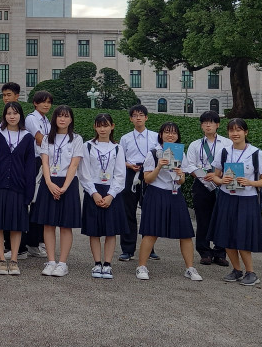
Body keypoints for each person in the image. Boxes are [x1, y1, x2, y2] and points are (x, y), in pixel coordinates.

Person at [136, 122, 202, 282]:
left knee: (186, 233)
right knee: (151, 232)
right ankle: (142, 266)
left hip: (175, 194)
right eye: (167, 132)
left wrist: (180, 174)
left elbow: (181, 181)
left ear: (178, 136)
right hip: (156, 193)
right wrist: (159, 167)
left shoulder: (181, 154)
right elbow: (147, 179)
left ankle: (190, 268)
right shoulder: (153, 153)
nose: (170, 135)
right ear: (161, 135)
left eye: (174, 133)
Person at [208, 119, 262, 286]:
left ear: (246, 132)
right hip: (227, 197)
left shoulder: (256, 153)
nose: (235, 133)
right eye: (232, 130)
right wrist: (221, 180)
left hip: (247, 200)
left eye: (239, 130)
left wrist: (251, 183)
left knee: (243, 236)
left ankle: (251, 272)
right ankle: (236, 270)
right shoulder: (225, 151)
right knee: (226, 234)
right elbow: (214, 175)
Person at [0, 101, 37, 276]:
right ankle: (1, 260)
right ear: (4, 116)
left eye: (15, 113)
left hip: (18, 187)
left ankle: (14, 260)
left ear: (20, 115)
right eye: (9, 113)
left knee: (16, 226)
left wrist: (29, 191)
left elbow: (30, 167)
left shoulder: (27, 137)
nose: (12, 116)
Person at [30, 105, 84, 277]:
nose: (62, 119)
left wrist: (64, 187)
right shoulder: (47, 138)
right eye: (59, 116)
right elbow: (44, 162)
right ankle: (51, 261)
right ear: (54, 119)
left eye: (66, 116)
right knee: (48, 223)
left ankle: (62, 263)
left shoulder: (76, 139)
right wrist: (49, 183)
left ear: (71, 119)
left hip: (67, 183)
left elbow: (74, 164)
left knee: (65, 225)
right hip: (49, 182)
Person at [79, 113, 126, 279]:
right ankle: (97, 263)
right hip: (93, 191)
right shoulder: (88, 146)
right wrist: (93, 193)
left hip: (112, 192)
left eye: (106, 125)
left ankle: (107, 264)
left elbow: (120, 174)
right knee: (94, 231)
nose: (102, 129)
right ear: (95, 127)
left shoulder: (118, 148)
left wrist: (111, 195)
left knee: (111, 231)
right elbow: (84, 172)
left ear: (112, 126)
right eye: (99, 125)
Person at [183, 111, 230, 267]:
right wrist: (203, 176)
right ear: (201, 125)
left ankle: (220, 252)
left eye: (211, 122)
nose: (208, 125)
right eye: (204, 123)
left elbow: (231, 163)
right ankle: (204, 252)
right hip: (201, 184)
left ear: (218, 124)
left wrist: (218, 177)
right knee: (203, 219)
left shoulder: (227, 143)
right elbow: (189, 164)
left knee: (221, 218)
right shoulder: (195, 145)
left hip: (221, 184)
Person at [118, 104, 160, 262]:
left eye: (141, 115)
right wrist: (128, 165)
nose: (138, 118)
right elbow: (120, 157)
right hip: (130, 173)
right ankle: (127, 249)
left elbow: (159, 155)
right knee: (128, 211)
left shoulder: (155, 137)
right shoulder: (126, 138)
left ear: (146, 117)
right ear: (131, 119)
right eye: (135, 115)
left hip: (149, 174)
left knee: (149, 212)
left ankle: (149, 248)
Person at [18, 89, 52, 259]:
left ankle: (36, 241)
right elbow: (41, 139)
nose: (46, 105)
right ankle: (27, 243)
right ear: (35, 103)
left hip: (46, 160)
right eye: (42, 101)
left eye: (48, 102)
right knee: (33, 200)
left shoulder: (47, 120)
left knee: (40, 203)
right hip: (35, 161)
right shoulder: (32, 119)